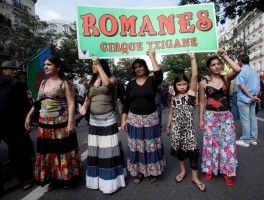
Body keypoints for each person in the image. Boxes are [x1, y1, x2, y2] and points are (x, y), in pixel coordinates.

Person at [25, 56, 82, 190]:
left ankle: (67, 178)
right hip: (44, 124)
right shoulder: (43, 83)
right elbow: (38, 102)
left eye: (49, 64)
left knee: (62, 151)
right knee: (49, 152)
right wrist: (28, 116)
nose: (45, 67)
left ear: (58, 67)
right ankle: (53, 178)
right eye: (45, 64)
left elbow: (72, 103)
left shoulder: (65, 83)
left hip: (60, 123)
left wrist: (70, 123)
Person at [80, 56, 126, 194]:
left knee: (109, 150)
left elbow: (106, 83)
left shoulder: (112, 79)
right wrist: (84, 106)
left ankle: (110, 182)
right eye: (93, 65)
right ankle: (96, 181)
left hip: (108, 119)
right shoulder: (92, 82)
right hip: (94, 120)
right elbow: (89, 97)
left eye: (94, 64)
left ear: (101, 65)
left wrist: (98, 63)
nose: (93, 66)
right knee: (96, 150)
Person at [121, 50, 165, 184]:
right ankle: (139, 171)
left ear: (145, 67)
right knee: (137, 147)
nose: (138, 69)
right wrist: (123, 119)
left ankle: (153, 170)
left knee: (151, 146)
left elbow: (159, 74)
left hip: (151, 119)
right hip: (134, 120)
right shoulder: (131, 84)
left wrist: (152, 56)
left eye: (140, 66)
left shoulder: (152, 81)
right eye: (135, 68)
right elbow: (126, 103)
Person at [199, 49, 240, 186]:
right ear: (208, 68)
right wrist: (201, 119)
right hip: (211, 117)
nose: (217, 66)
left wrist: (224, 56)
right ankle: (209, 169)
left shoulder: (226, 78)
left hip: (226, 116)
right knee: (211, 144)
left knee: (227, 144)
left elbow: (237, 69)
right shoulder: (204, 82)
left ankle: (227, 171)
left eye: (218, 64)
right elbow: (202, 102)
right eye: (213, 65)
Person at [166, 52, 206, 192]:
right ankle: (183, 171)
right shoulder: (174, 98)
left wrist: (192, 57)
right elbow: (171, 113)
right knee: (180, 154)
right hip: (176, 131)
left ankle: (195, 177)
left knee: (193, 154)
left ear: (187, 84)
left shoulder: (190, 95)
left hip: (189, 132)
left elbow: (195, 75)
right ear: (175, 85)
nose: (182, 86)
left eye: (184, 84)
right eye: (179, 84)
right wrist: (168, 126)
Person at [0, 62, 34, 192]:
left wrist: (27, 120)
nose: (15, 71)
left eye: (16, 69)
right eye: (12, 69)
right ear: (4, 70)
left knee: (18, 152)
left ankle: (26, 178)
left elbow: (24, 105)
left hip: (12, 124)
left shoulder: (16, 83)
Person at [235, 54, 261, 147]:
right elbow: (259, 86)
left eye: (238, 61)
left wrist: (250, 96)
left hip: (244, 98)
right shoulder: (254, 72)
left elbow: (242, 86)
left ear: (241, 61)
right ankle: (253, 138)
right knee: (253, 118)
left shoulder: (241, 71)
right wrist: (255, 96)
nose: (237, 62)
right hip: (253, 98)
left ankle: (246, 140)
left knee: (245, 120)